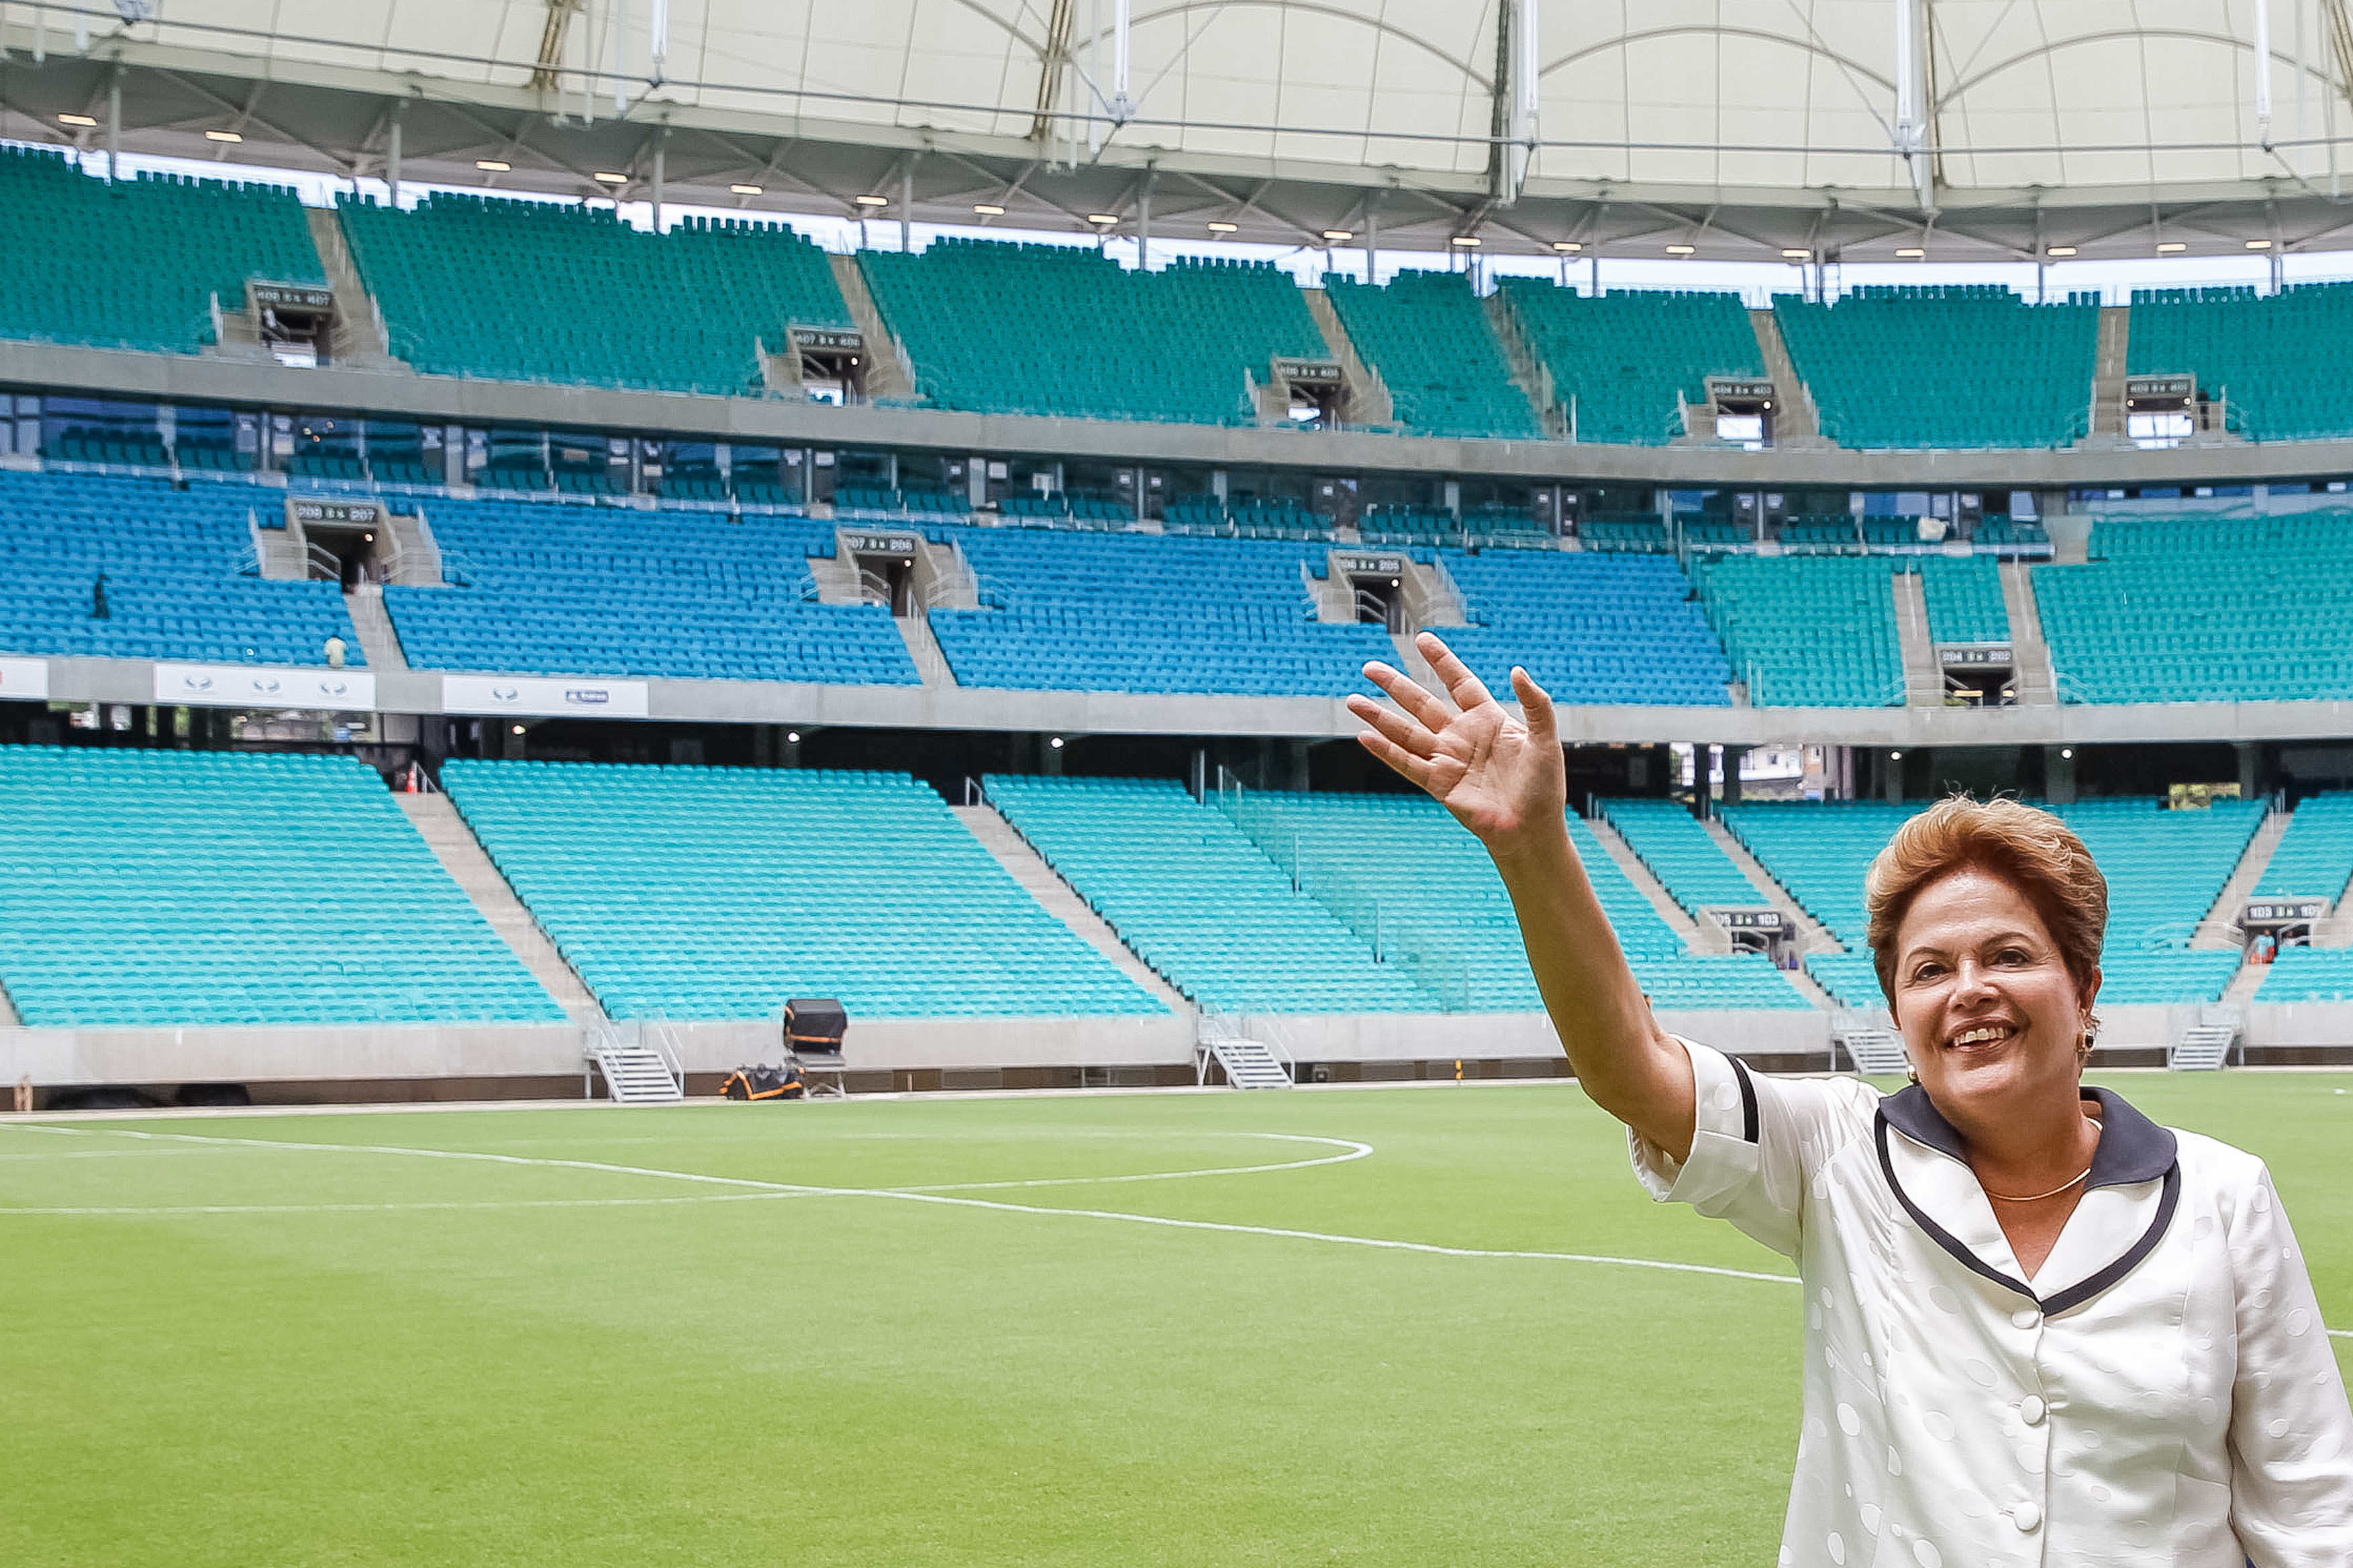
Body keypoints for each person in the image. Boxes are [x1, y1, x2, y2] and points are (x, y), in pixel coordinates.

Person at [1349, 630, 2353, 1567]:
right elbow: (1629, 1069)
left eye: (2009, 954)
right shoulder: (1835, 1151)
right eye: (1929, 969)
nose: (1969, 988)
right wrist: (1533, 850)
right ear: (1897, 1013)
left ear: (2083, 990)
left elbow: (2311, 1512)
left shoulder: (2224, 1198)